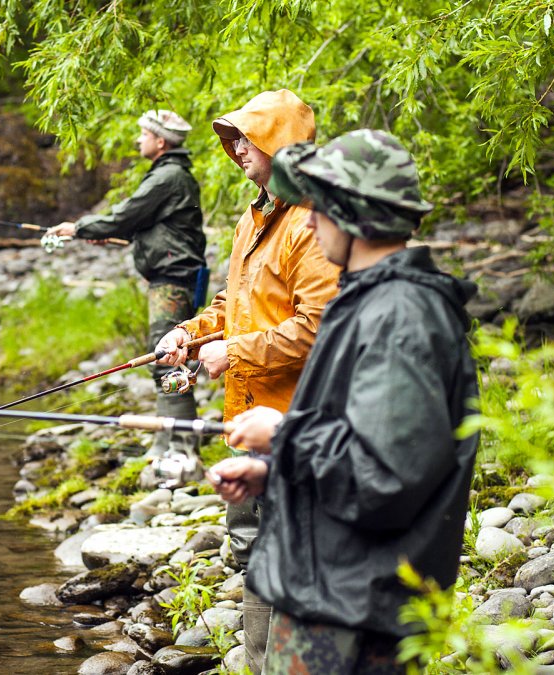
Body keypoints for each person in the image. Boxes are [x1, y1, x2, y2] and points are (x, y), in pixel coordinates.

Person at [206, 129, 479, 675]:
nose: (308, 220)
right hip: (336, 594)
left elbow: (387, 476)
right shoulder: (371, 303)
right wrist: (274, 470)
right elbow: (358, 442)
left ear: (353, 215)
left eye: (320, 208)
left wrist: (282, 436)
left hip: (356, 616)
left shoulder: (400, 317)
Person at [155, 89, 341, 673]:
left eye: (247, 138)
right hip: (247, 423)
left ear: (281, 146)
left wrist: (233, 350)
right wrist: (191, 332)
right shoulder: (253, 216)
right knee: (253, 552)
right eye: (231, 138)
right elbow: (235, 303)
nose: (235, 149)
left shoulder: (312, 225)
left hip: (296, 426)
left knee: (286, 560)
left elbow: (318, 328)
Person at [47, 110, 207, 459]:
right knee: (167, 357)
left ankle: (179, 451)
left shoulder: (168, 177)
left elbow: (128, 213)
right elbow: (151, 225)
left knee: (168, 358)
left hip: (172, 280)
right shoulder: (172, 176)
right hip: (173, 277)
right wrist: (121, 236)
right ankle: (171, 444)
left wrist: (79, 228)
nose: (138, 140)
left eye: (143, 134)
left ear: (160, 141)